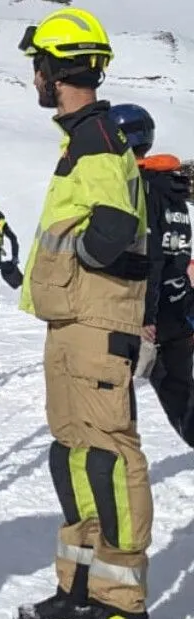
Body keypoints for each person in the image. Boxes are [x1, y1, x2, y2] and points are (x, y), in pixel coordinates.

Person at [13, 8, 153, 619]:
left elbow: (114, 227)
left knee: (109, 458)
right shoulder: (83, 137)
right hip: (73, 320)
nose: (34, 78)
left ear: (54, 68)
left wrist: (82, 269)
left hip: (95, 319)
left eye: (37, 65)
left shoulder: (97, 138)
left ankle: (121, 600)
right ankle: (80, 587)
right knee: (72, 457)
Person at [108, 103, 194, 446]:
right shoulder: (171, 189)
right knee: (181, 394)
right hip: (180, 308)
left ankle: (114, 462)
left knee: (115, 388)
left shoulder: (139, 187)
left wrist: (145, 314)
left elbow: (153, 254)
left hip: (153, 311)